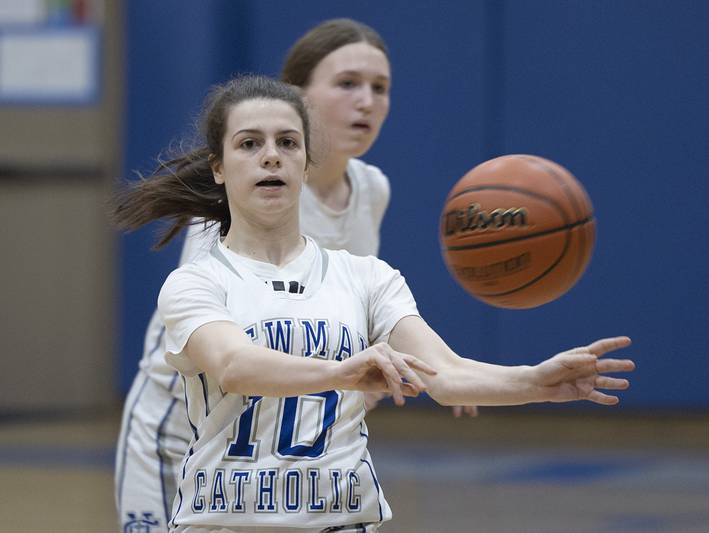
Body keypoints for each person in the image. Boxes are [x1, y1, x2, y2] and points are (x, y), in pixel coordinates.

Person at [112, 74, 634, 532]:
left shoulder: (366, 277)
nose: (271, 155)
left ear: (305, 162)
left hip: (340, 520)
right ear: (219, 168)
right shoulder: (195, 282)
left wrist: (534, 382)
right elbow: (233, 365)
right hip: (224, 522)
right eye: (249, 143)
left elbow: (445, 374)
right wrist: (342, 371)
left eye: (288, 142)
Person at [115, 18, 473, 533]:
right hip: (187, 426)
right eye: (347, 84)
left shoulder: (371, 189)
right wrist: (345, 371)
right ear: (298, 98)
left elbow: (354, 317)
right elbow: (233, 354)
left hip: (285, 434)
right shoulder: (241, 201)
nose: (367, 101)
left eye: (380, 88)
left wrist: (451, 376)